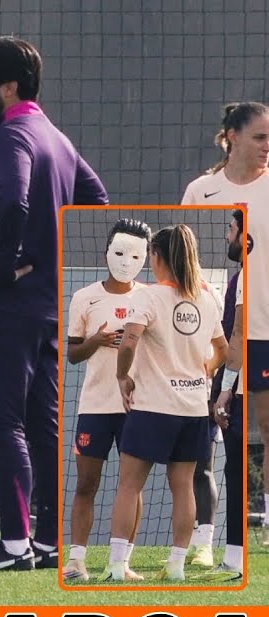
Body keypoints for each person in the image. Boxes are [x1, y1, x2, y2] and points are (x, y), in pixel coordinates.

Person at [0, 36, 109, 572]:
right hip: (48, 309)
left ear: (8, 87)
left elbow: (16, 200)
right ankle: (46, 544)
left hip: (11, 307)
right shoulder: (57, 139)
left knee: (1, 423)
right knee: (42, 427)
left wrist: (6, 264)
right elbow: (98, 200)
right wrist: (45, 263)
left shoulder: (13, 135)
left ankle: (14, 546)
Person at [105, 225, 227, 582]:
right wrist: (205, 369)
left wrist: (122, 377)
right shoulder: (206, 298)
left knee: (129, 485)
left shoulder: (148, 297)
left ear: (156, 257)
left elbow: (127, 345)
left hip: (153, 407)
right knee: (183, 486)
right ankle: (176, 566)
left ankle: (115, 567)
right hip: (192, 409)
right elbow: (222, 350)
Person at [182, 102, 269, 554]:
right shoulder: (202, 191)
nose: (267, 147)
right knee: (211, 435)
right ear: (231, 136)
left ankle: (265, 525)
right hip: (218, 335)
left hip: (265, 334)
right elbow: (184, 262)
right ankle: (206, 540)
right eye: (259, 137)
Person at [61, 219, 150, 582]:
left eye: (135, 254)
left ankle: (121, 562)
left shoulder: (149, 296)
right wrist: (97, 341)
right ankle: (76, 560)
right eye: (119, 252)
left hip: (136, 406)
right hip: (95, 406)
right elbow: (72, 354)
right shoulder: (85, 297)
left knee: (132, 486)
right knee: (86, 484)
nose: (126, 261)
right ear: (106, 251)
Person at [208, 209, 253, 579]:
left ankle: (236, 558)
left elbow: (238, 336)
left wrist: (225, 390)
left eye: (231, 227)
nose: (227, 235)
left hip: (242, 386)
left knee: (235, 466)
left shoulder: (247, 278)